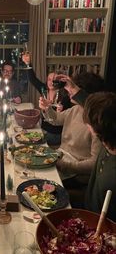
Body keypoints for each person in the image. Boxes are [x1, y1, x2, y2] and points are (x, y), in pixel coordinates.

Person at [58, 74, 116, 222]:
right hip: (86, 204)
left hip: (97, 225)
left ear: (96, 128)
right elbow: (93, 109)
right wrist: (74, 88)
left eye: (88, 124)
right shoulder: (107, 143)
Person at [39, 72, 104, 201]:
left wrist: (66, 165)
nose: (69, 91)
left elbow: (94, 163)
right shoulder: (76, 109)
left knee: (41, 186)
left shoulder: (97, 122)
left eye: (73, 88)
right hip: (61, 158)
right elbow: (56, 119)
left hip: (76, 172)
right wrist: (47, 108)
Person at [22, 52, 71, 146]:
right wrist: (28, 63)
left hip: (55, 134)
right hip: (43, 129)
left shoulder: (64, 95)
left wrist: (57, 111)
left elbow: (62, 119)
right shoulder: (44, 89)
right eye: (49, 79)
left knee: (29, 141)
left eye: (54, 80)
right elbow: (32, 79)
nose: (51, 82)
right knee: (25, 134)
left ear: (59, 81)